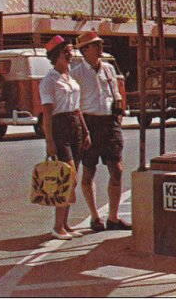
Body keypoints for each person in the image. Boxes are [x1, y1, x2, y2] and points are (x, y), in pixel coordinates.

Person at [71, 30, 131, 232]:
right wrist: (83, 130)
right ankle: (95, 217)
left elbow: (116, 94)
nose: (100, 47)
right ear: (84, 50)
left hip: (109, 123)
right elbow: (75, 105)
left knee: (117, 169)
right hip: (89, 123)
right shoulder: (76, 73)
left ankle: (113, 218)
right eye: (95, 44)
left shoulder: (108, 69)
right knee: (89, 170)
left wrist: (119, 114)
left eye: (100, 44)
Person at [39, 35, 91, 240]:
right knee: (68, 177)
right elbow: (47, 114)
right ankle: (57, 226)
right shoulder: (49, 81)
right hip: (60, 129)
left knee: (72, 179)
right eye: (66, 52)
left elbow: (77, 109)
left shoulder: (70, 78)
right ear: (56, 55)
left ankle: (65, 224)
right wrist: (49, 141)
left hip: (75, 127)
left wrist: (85, 131)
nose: (70, 55)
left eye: (70, 51)